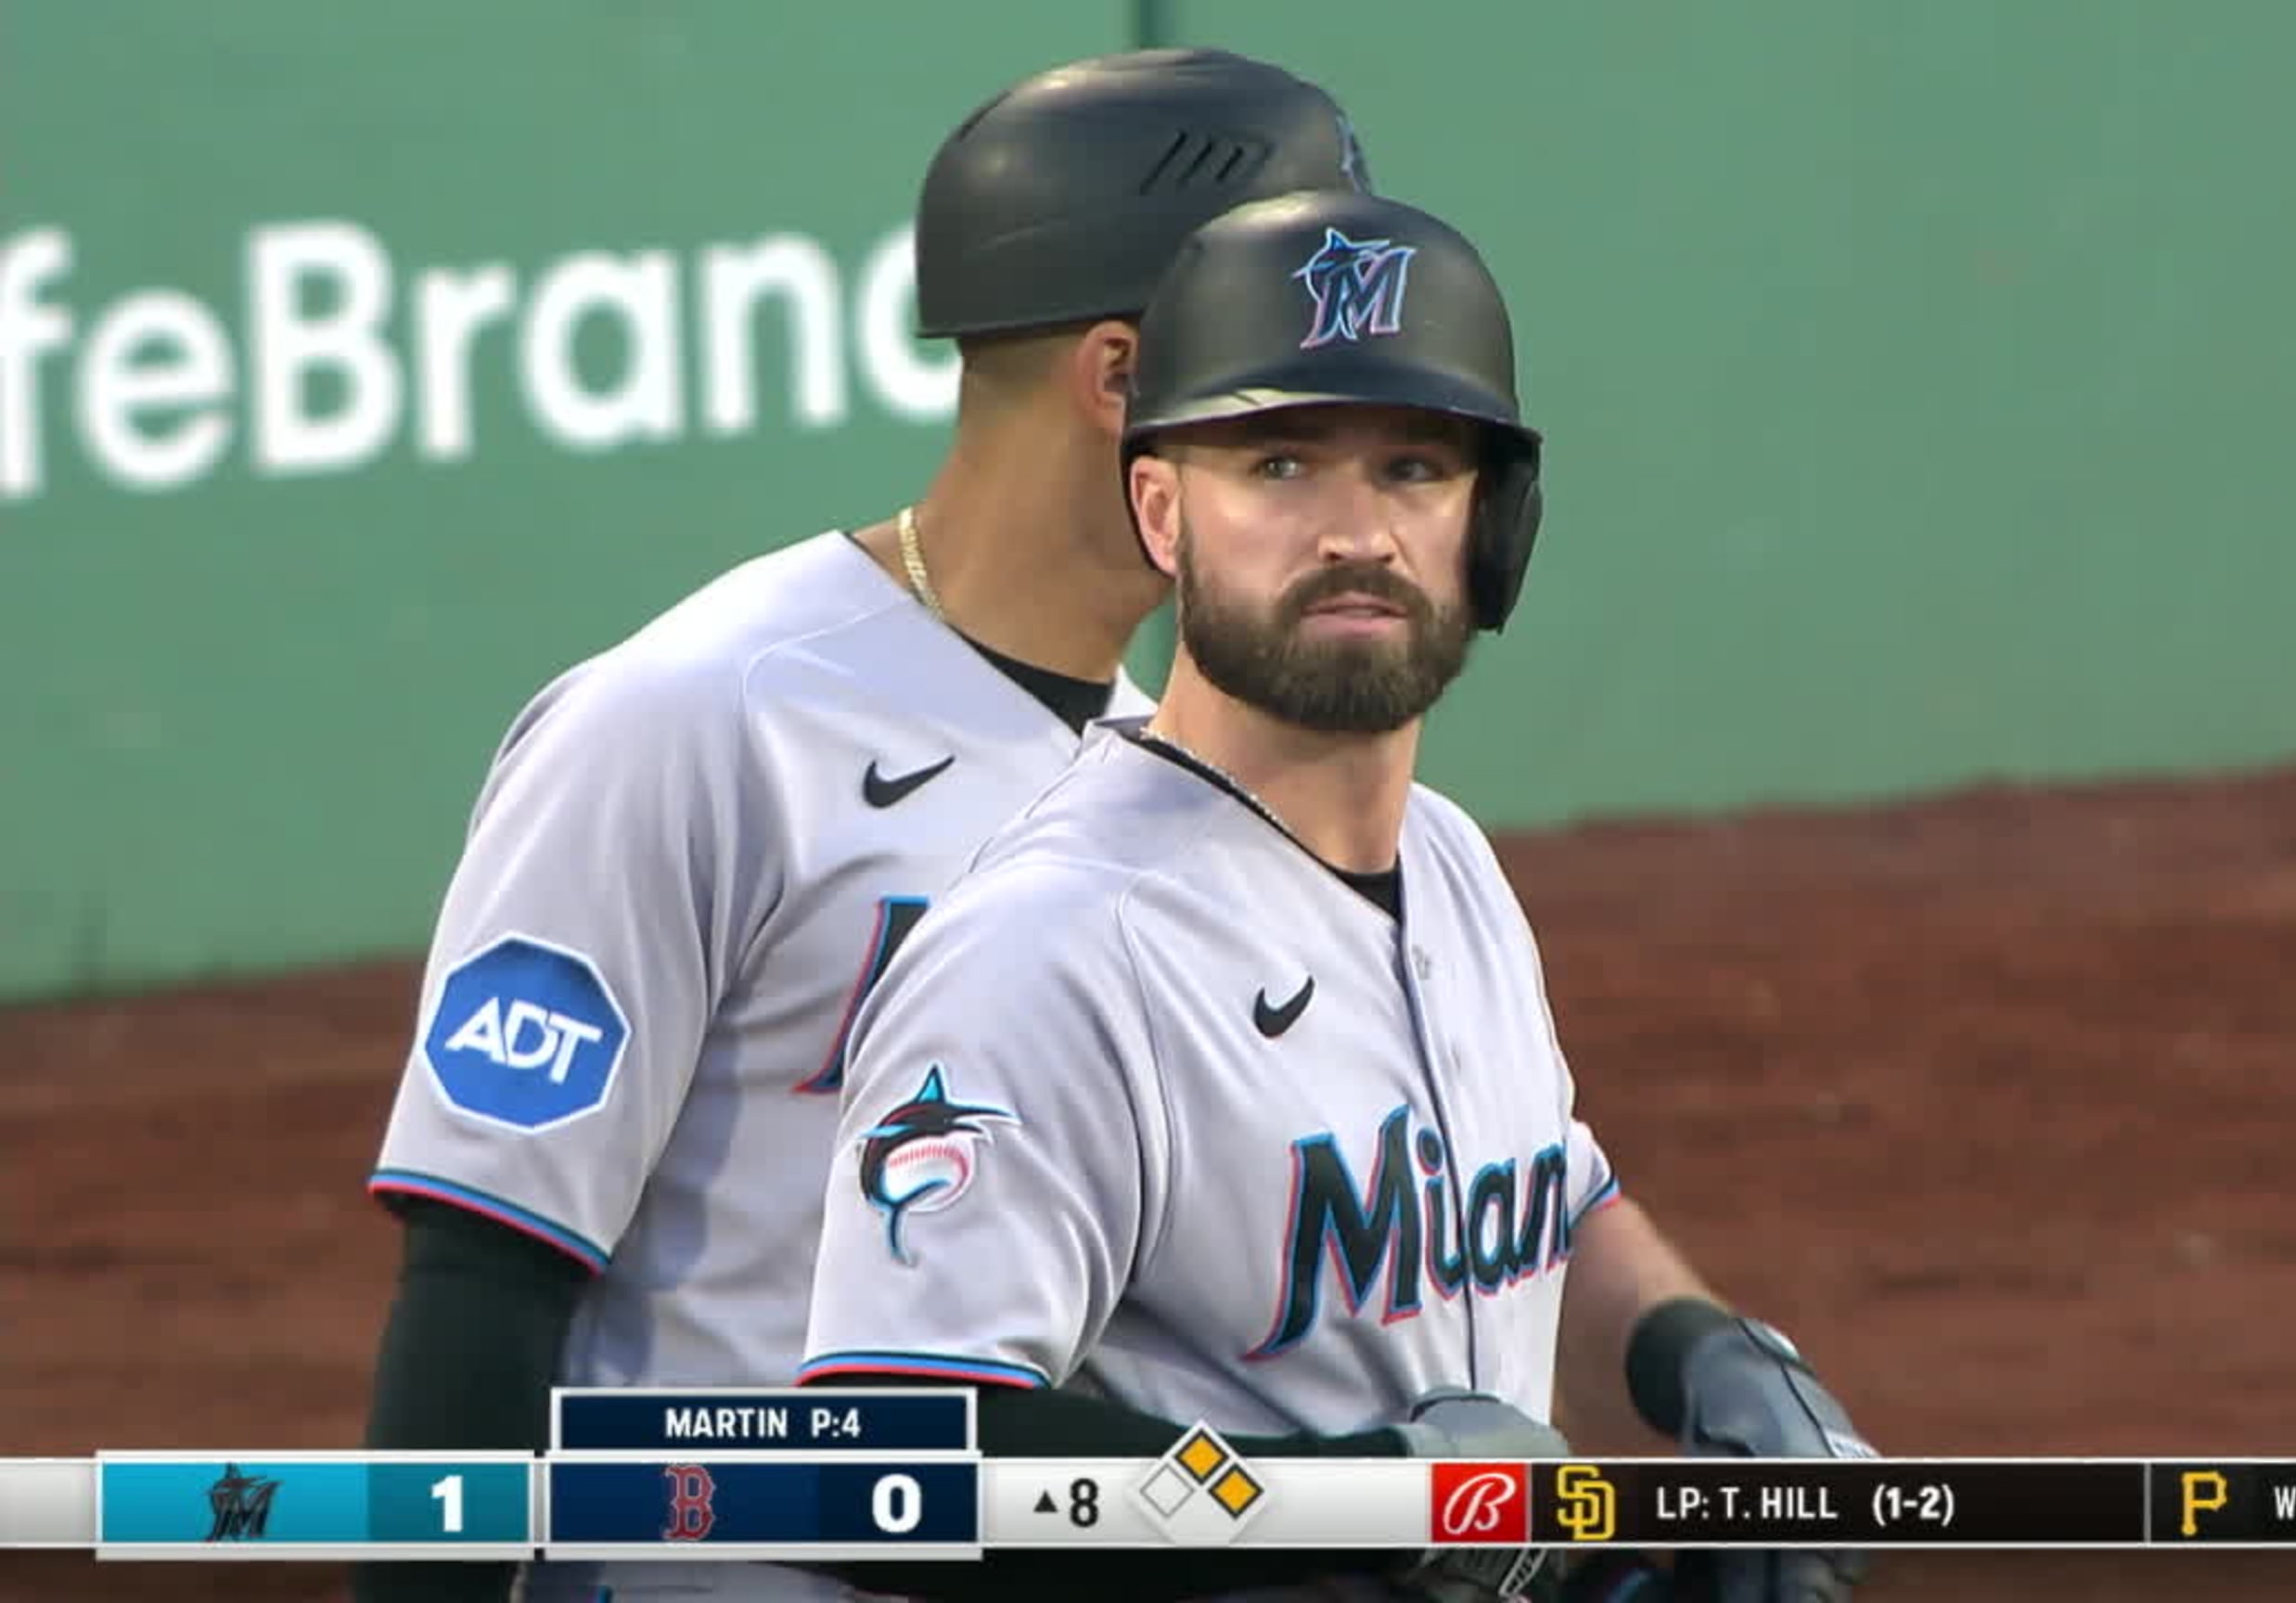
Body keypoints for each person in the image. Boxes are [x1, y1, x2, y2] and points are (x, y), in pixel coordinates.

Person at [351, 49, 1376, 1603]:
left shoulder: (1163, 777)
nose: (1354, 453)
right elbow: (480, 1288)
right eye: (1296, 384)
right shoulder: (698, 720)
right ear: (1124, 379)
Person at [795, 188, 1875, 1603]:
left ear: (1496, 528)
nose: (1355, 532)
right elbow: (886, 1468)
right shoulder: (1057, 953)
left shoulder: (1453, 869)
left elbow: (1537, 1201)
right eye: (1283, 464)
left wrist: (1698, 1354)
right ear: (1162, 511)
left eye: (1415, 469)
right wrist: (1352, 1503)